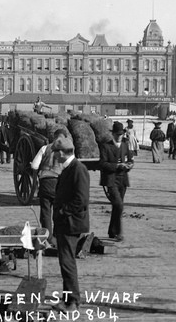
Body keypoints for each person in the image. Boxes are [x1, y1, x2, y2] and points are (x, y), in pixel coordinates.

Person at [51, 134, 90, 311]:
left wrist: (62, 211)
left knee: (67, 262)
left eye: (55, 153)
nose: (54, 156)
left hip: (71, 223)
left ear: (61, 153)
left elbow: (81, 199)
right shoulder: (69, 168)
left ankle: (72, 301)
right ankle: (68, 299)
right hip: (66, 223)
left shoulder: (78, 169)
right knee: (65, 262)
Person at [30, 134, 68, 244]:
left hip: (46, 183)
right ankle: (58, 236)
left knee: (46, 212)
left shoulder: (45, 148)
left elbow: (34, 166)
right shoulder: (67, 150)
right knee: (59, 211)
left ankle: (48, 238)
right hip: (60, 183)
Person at [98, 121, 133, 241]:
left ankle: (112, 231)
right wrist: (117, 166)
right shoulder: (106, 146)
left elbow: (130, 159)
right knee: (118, 204)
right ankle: (119, 232)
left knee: (117, 206)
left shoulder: (125, 145)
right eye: (117, 134)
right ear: (112, 134)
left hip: (123, 179)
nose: (119, 136)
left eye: (121, 134)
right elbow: (102, 164)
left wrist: (129, 165)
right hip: (111, 179)